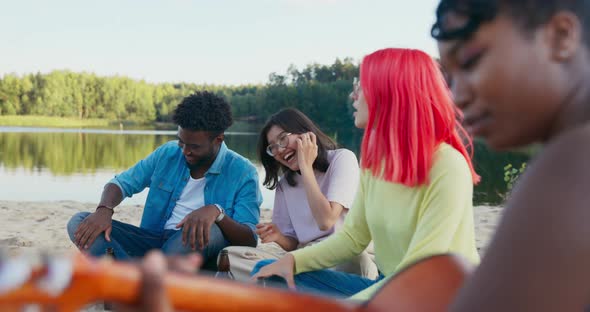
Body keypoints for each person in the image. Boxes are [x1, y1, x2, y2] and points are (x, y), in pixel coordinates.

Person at [251, 48, 481, 300]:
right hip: (388, 286)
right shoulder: (375, 165)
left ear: (390, 92)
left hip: (440, 296)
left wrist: (353, 305)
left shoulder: (447, 165)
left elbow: (420, 271)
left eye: (361, 86)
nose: (353, 94)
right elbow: (351, 238)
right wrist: (292, 261)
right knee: (269, 273)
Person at [433, 0, 590, 310]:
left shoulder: (574, 160)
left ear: (560, 37)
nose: (458, 97)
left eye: (469, 61)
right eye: (449, 79)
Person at [66, 91, 262, 266]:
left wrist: (217, 214)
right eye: (181, 142)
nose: (185, 151)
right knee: (80, 222)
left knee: (206, 231)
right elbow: (120, 183)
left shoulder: (243, 172)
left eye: (194, 146)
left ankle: (131, 279)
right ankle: (136, 278)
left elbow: (249, 239)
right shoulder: (168, 153)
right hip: (152, 240)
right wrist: (104, 209)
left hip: (194, 249)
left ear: (218, 139)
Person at [223, 108, 378, 282]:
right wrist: (279, 237)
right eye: (272, 147)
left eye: (283, 139)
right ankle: (288, 281)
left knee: (352, 259)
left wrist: (306, 167)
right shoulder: (284, 186)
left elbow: (326, 221)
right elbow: (293, 244)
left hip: (343, 253)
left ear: (305, 134)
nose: (279, 150)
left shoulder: (342, 159)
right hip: (305, 256)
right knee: (231, 255)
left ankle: (281, 281)